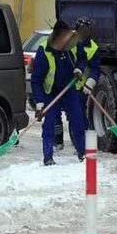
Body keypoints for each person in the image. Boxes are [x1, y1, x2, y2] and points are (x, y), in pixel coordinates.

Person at [31, 20, 87, 166]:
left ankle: (82, 153)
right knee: (49, 124)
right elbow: (36, 80)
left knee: (77, 120)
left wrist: (79, 69)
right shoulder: (44, 51)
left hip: (69, 89)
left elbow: (82, 58)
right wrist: (40, 103)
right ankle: (48, 157)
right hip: (51, 92)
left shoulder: (73, 45)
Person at [53, 16, 100, 148]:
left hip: (80, 88)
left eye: (86, 30)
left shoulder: (93, 48)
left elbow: (95, 70)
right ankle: (58, 142)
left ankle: (81, 143)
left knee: (78, 115)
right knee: (55, 113)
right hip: (63, 84)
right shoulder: (68, 41)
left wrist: (89, 85)